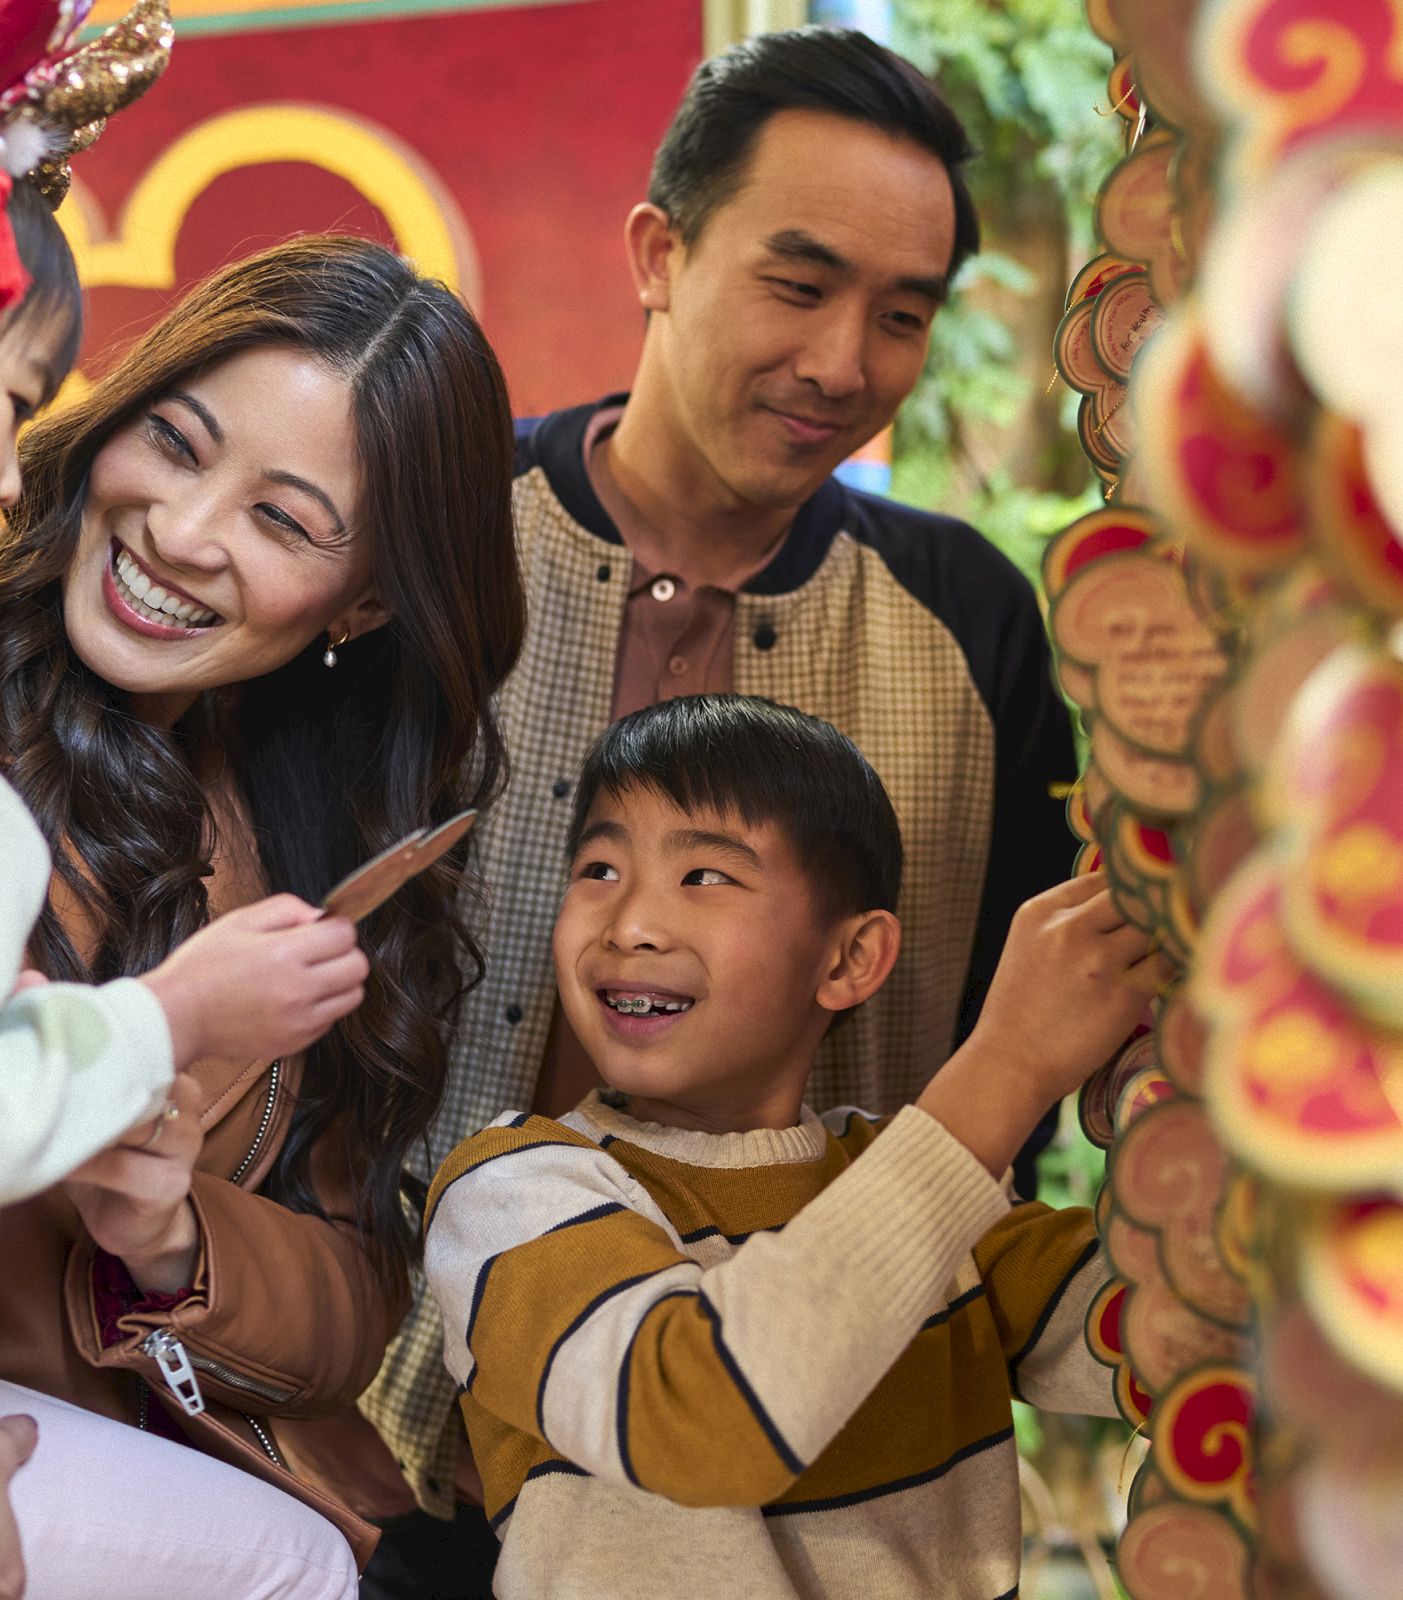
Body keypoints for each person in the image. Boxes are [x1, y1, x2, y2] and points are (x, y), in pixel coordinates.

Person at [365, 27, 1079, 1556]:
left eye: (903, 317)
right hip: (386, 1436)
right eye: (799, 283)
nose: (844, 365)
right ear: (660, 253)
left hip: (836, 1484)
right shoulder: (427, 539)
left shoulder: (966, 623)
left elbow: (1044, 1033)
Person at [0, 225, 524, 1593]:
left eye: (283, 520)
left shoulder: (313, 838)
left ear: (361, 603)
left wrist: (167, 1238)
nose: (182, 534)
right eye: (173, 445)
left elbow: (356, 1303)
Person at [426, 695, 1150, 1599]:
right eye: (600, 868)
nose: (629, 924)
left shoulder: (925, 1199)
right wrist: (1007, 1066)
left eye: (703, 877)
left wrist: (1177, 1084)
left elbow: (1176, 1331)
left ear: (848, 960)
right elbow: (696, 1418)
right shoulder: (513, 1191)